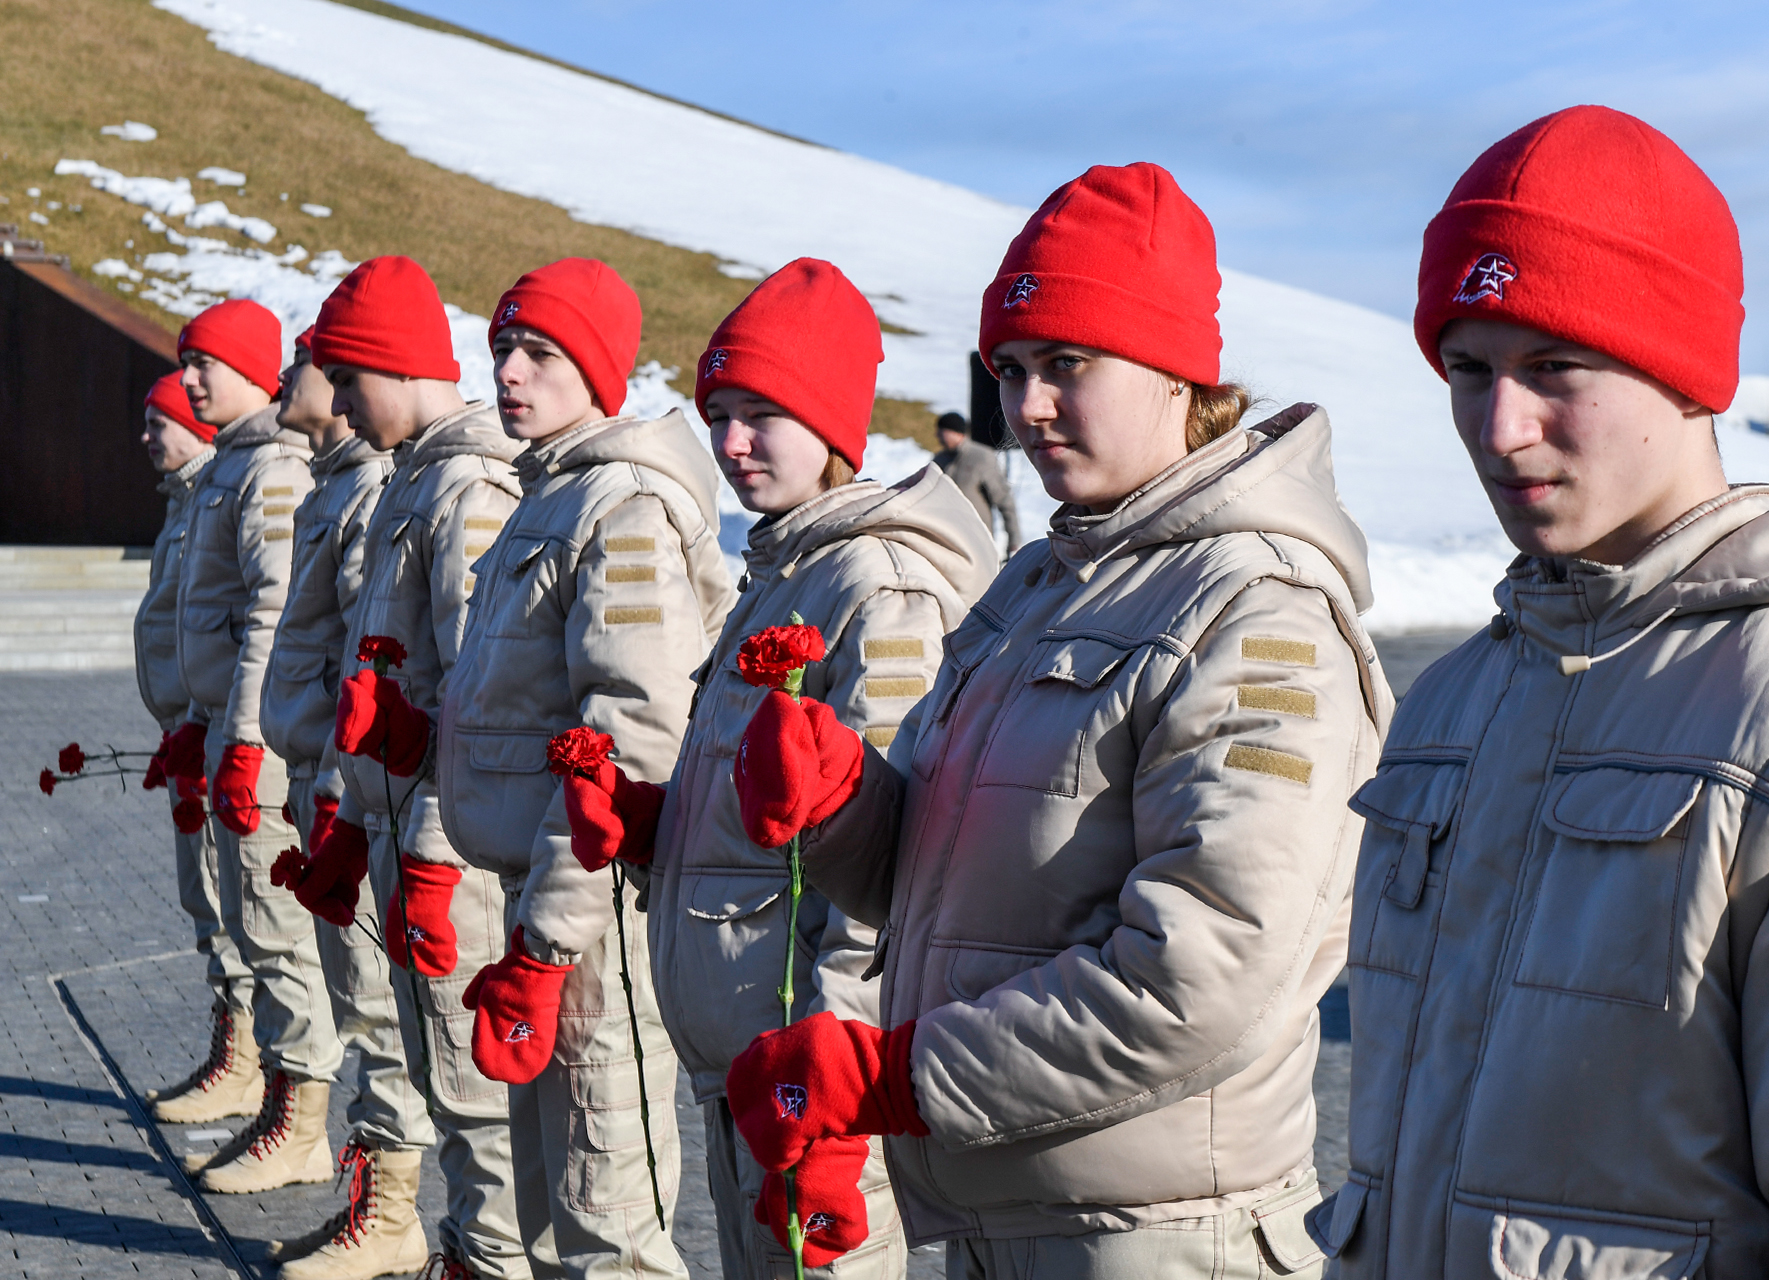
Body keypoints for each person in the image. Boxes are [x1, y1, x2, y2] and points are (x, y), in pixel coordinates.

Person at [1307, 105, 1769, 1277]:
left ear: (1682, 376)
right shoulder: (1452, 704)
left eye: (1552, 367)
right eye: (1466, 370)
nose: (1498, 426)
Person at [723, 163, 1392, 1278]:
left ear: (1179, 373)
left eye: (1067, 366)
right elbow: (939, 881)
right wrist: (841, 800)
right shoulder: (1040, 583)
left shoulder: (1258, 606)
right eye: (1013, 369)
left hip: (1158, 1233)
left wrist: (895, 1077)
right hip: (1005, 1202)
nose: (1026, 408)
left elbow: (1204, 969)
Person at [570, 257, 997, 1279]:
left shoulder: (877, 583)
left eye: (764, 413)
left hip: (808, 1081)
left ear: (833, 424)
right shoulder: (783, 569)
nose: (730, 442)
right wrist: (652, 821)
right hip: (745, 1070)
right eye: (719, 413)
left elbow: (883, 868)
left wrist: (834, 1088)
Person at [435, 258, 733, 1280]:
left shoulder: (620, 504)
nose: (509, 373)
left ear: (597, 372)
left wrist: (553, 937)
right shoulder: (546, 490)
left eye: (540, 354)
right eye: (502, 350)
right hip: (538, 900)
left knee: (607, 1212)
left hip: (590, 914)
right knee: (556, 1191)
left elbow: (634, 729)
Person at [291, 255, 529, 1280]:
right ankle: (459, 1248)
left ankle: (489, 1256)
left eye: (349, 379)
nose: (337, 404)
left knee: (476, 1095)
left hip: (446, 855)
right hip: (398, 830)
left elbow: (478, 701)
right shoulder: (416, 476)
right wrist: (355, 811)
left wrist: (429, 845)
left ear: (396, 364)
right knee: (435, 1071)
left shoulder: (466, 486)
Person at [259, 326, 434, 1279]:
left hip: (352, 784)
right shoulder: (337, 482)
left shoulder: (369, 486)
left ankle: (393, 1211)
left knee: (376, 1009)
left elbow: (374, 663)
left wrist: (341, 789)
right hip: (325, 775)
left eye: (312, 363)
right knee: (352, 995)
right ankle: (370, 1189)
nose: (289, 378)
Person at [166, 299, 341, 1195]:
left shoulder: (271, 468)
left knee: (278, 936)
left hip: (263, 751)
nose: (190, 378)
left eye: (206, 362)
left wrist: (238, 740)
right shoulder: (233, 465)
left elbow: (271, 618)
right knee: (248, 927)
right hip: (231, 734)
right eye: (185, 362)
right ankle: (277, 1099)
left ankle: (301, 1121)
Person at [136, 372, 261, 1126]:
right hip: (190, 731)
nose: (147, 438)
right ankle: (235, 1046)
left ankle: (251, 1063)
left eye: (159, 423)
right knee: (204, 897)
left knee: (231, 899)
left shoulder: (223, 496)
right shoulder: (188, 502)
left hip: (219, 732)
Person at [932, 411, 1021, 556]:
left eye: (941, 431)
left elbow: (1004, 500)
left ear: (954, 432)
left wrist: (1014, 541)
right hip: (945, 539)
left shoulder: (981, 457)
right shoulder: (939, 460)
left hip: (977, 540)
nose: (937, 436)